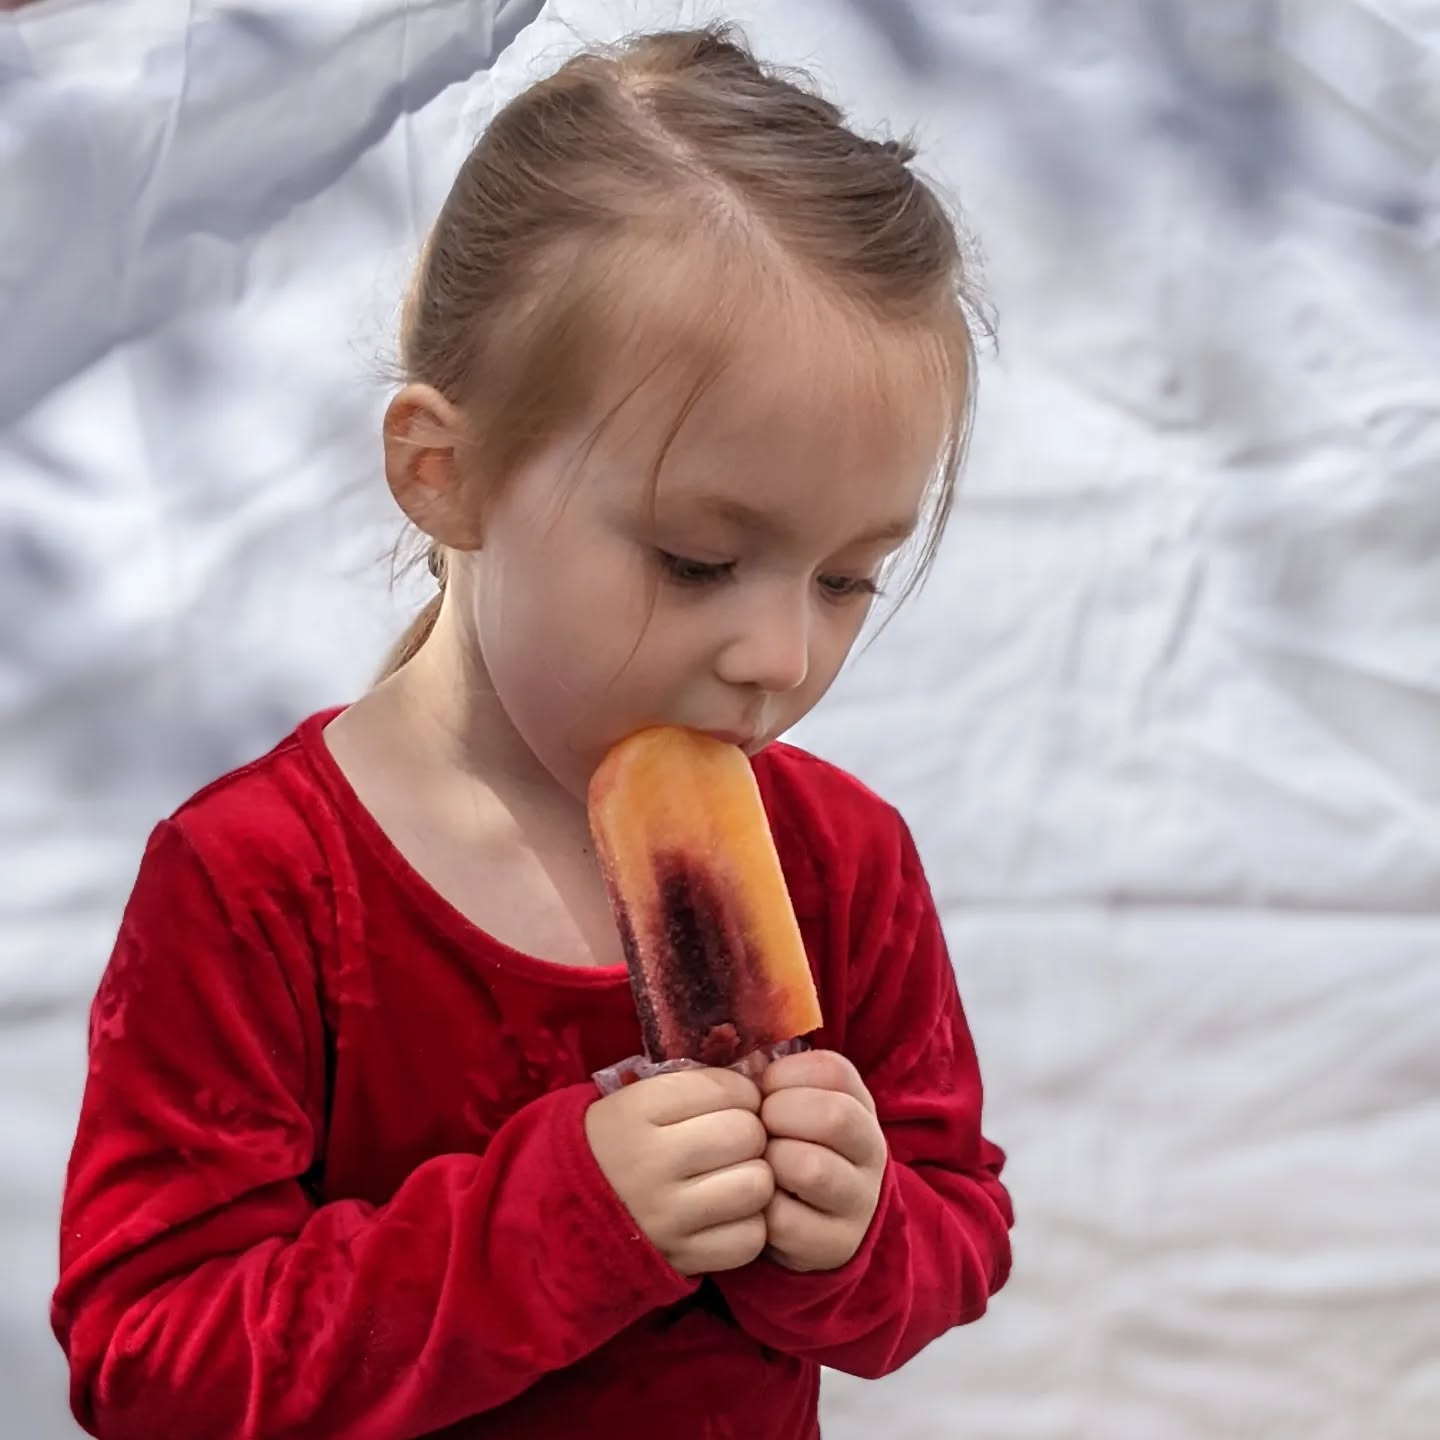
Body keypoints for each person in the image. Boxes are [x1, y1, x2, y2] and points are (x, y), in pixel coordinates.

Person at [51, 23, 1013, 1440]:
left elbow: (959, 1236)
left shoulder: (843, 862)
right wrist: (552, 1226)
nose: (781, 655)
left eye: (847, 577)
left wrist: (860, 1231)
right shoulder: (255, 882)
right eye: (696, 559)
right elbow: (151, 1366)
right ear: (446, 476)